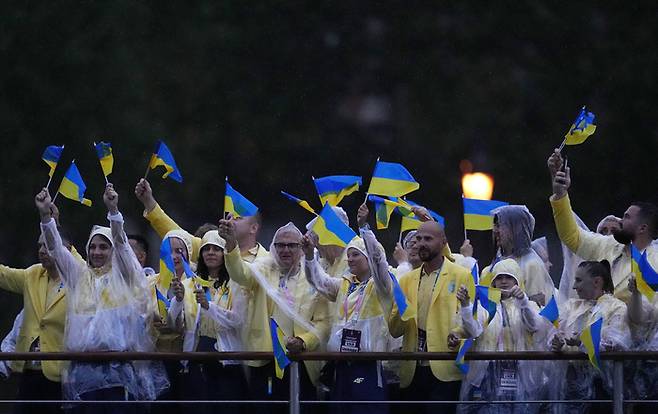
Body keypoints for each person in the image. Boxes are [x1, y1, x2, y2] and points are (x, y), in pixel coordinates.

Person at [36, 184, 168, 413]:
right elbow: (55, 248)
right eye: (93, 247)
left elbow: (121, 243)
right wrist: (45, 215)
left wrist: (113, 211)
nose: (97, 252)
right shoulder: (79, 275)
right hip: (82, 371)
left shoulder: (124, 275)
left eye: (103, 247)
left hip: (118, 372)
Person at [219, 217, 330, 414]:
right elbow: (240, 274)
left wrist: (304, 341)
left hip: (301, 360)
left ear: (301, 247)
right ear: (273, 246)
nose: (285, 250)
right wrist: (230, 244)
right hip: (265, 359)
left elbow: (323, 323)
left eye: (291, 245)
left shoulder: (313, 275)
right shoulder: (263, 267)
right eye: (280, 245)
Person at [302, 205, 393, 414]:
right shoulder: (345, 283)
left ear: (367, 257)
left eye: (355, 255)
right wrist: (308, 257)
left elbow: (379, 260)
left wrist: (365, 229)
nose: (349, 259)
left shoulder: (381, 285)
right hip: (342, 363)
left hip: (368, 364)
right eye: (349, 255)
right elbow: (318, 281)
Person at [385, 220, 479, 414]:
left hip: (444, 367)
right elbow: (394, 331)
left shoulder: (461, 275)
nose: (421, 243)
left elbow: (472, 320)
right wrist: (403, 312)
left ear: (443, 242)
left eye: (428, 239)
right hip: (412, 368)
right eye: (418, 239)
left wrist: (457, 333)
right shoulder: (406, 280)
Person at [548, 149, 658, 303]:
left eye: (626, 217)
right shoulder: (609, 245)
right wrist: (560, 194)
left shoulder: (654, 262)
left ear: (642, 228)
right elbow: (572, 237)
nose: (620, 221)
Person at [0, 228, 77, 413]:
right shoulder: (32, 274)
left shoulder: (77, 279)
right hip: (28, 369)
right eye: (39, 245)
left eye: (48, 245)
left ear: (65, 249)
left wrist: (52, 223)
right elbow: (3, 275)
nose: (42, 250)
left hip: (60, 372)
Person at [173, 230, 248, 414]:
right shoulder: (191, 282)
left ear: (225, 253)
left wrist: (209, 306)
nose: (211, 253)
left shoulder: (236, 283)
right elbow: (175, 323)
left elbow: (238, 320)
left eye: (217, 249)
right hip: (197, 356)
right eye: (206, 249)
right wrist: (178, 300)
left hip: (227, 360)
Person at [456, 259, 543, 414]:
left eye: (509, 277)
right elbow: (474, 330)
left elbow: (534, 325)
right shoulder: (485, 306)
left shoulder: (528, 305)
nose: (503, 281)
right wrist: (465, 306)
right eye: (499, 278)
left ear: (517, 280)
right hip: (487, 372)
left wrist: (522, 301)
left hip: (519, 372)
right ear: (493, 281)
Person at [549, 260, 630, 414]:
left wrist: (583, 342)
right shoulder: (571, 306)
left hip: (602, 385)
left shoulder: (617, 307)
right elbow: (554, 332)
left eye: (578, 280)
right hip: (570, 380)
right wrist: (555, 343)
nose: (574, 286)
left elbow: (617, 344)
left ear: (596, 282)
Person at [135, 178, 268, 263]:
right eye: (228, 217)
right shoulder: (212, 248)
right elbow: (178, 236)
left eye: (238, 218)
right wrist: (148, 201)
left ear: (254, 228)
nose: (230, 221)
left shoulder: (268, 261)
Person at [480, 205, 555, 307]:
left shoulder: (531, 265)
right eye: (495, 225)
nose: (495, 230)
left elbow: (537, 309)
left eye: (500, 225)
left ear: (517, 228)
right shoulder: (492, 267)